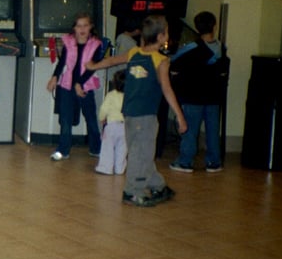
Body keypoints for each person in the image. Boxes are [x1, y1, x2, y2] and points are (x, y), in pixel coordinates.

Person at [86, 15, 187, 207]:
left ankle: (157, 184)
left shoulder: (134, 53)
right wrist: (180, 118)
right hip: (146, 115)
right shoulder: (161, 61)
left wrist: (93, 66)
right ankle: (133, 191)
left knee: (141, 151)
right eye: (166, 32)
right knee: (141, 153)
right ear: (160, 37)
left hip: (130, 114)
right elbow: (167, 89)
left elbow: (112, 61)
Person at [169, 11, 230, 173]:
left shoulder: (191, 48)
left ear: (196, 27)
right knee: (212, 130)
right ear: (214, 27)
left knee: (190, 130)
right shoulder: (221, 48)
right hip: (214, 96)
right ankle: (214, 162)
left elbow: (174, 63)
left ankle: (185, 161)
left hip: (192, 96)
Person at [46, 12, 105, 161]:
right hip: (67, 85)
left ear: (91, 27)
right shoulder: (69, 42)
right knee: (65, 119)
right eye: (79, 26)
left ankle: (96, 148)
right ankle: (63, 149)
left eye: (85, 25)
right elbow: (62, 62)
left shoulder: (96, 44)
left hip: (86, 85)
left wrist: (80, 83)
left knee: (90, 118)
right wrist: (55, 77)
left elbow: (93, 67)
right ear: (74, 28)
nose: (82, 29)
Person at [94, 69, 126, 175]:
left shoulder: (111, 95)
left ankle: (106, 168)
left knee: (107, 147)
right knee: (122, 148)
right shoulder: (130, 96)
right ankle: (119, 168)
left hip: (111, 125)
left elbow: (104, 109)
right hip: (125, 126)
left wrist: (101, 118)